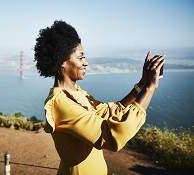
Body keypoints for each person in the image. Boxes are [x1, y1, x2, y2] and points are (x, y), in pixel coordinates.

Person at [33, 20, 165, 175]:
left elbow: (111, 110)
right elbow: (111, 136)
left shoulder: (78, 93)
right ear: (62, 62)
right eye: (80, 58)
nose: (86, 63)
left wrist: (141, 85)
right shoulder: (61, 103)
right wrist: (149, 89)